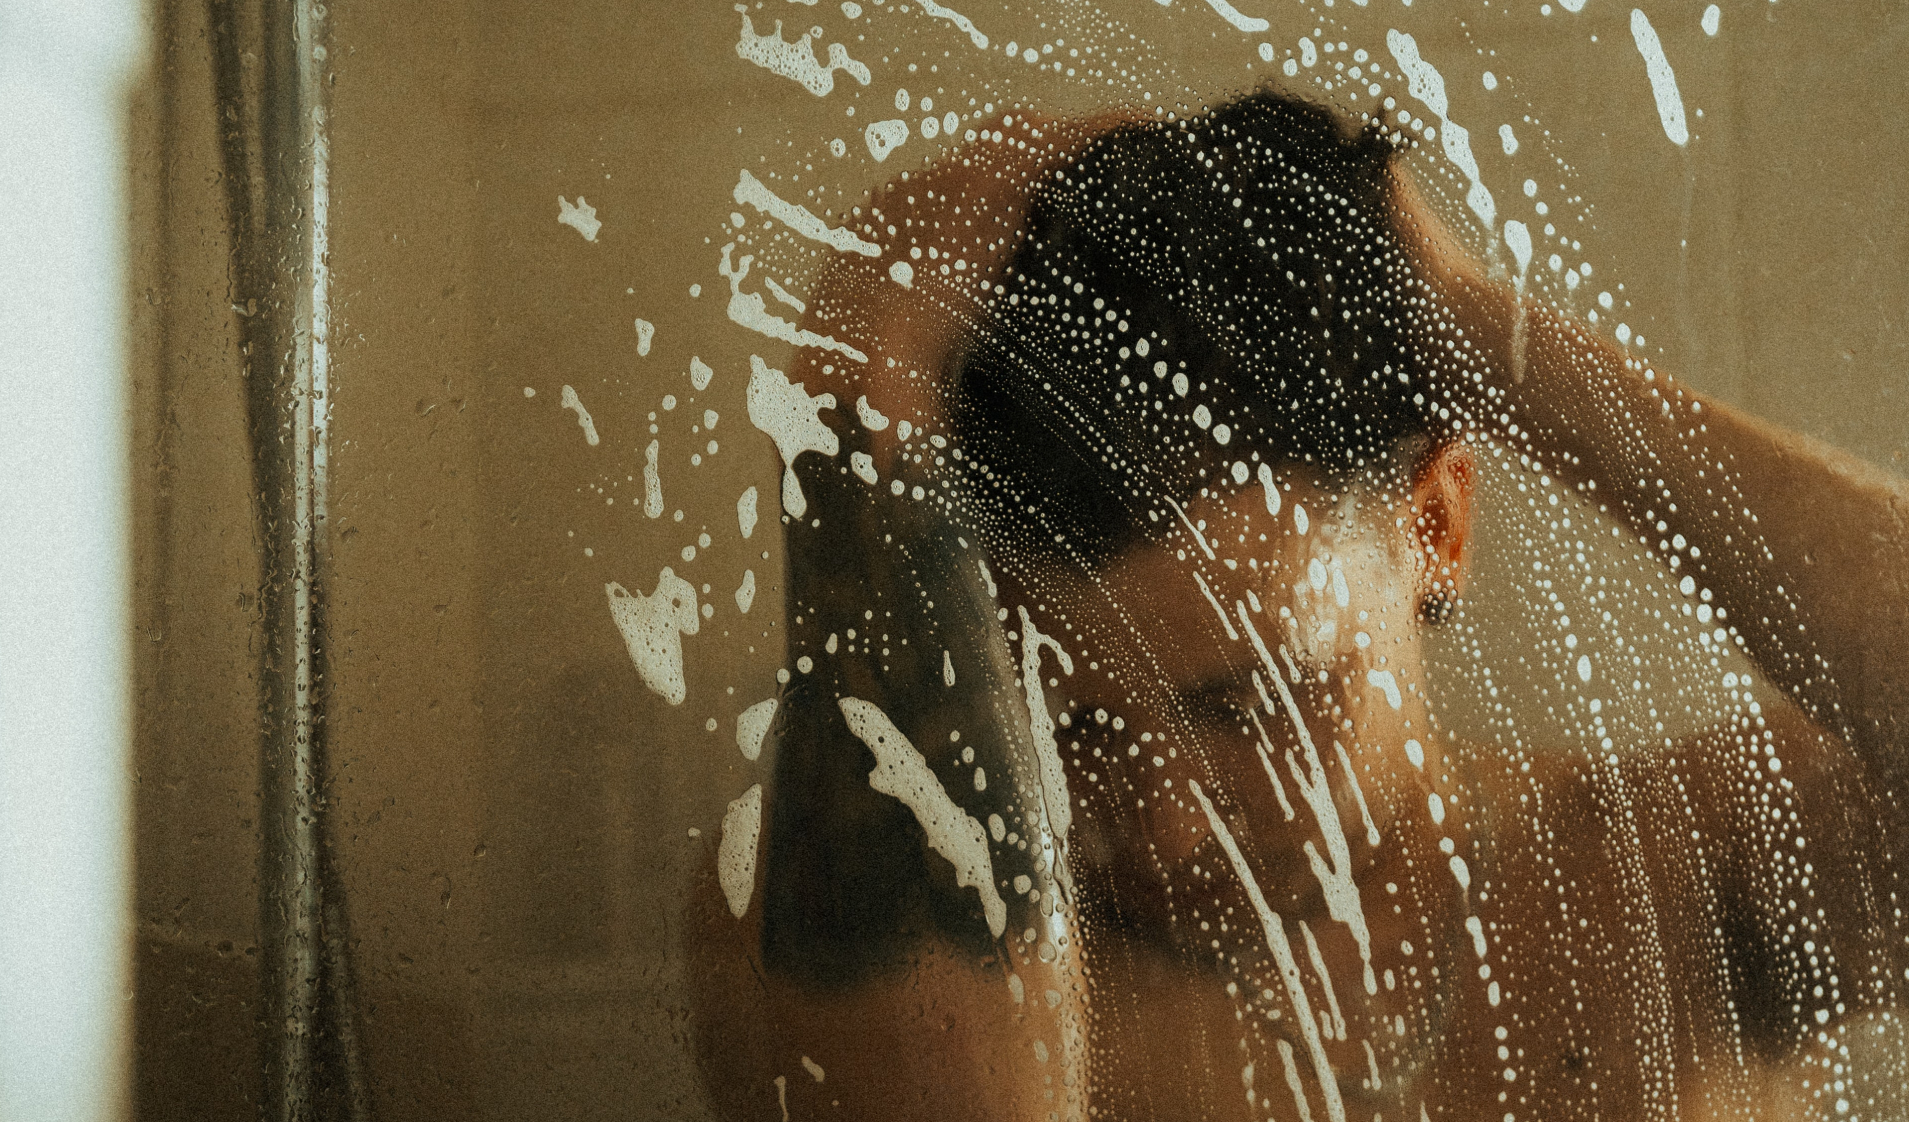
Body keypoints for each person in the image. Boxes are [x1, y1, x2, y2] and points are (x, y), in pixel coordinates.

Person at [690, 90, 1909, 1119]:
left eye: (1252, 703)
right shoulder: (820, 918)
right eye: (1061, 726)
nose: (1162, 829)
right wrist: (857, 398)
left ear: (1432, 525)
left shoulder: (1676, 879)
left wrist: (1473, 328)